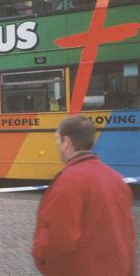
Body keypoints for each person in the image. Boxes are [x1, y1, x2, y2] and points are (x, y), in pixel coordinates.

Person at [32, 115, 137, 276]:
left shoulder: (68, 181)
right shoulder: (116, 178)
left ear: (67, 142)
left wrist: (41, 259)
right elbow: (128, 235)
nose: (57, 146)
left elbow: (58, 237)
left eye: (57, 140)